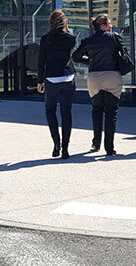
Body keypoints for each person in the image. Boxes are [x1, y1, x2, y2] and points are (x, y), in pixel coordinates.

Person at [72, 13, 125, 156]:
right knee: (111, 113)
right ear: (103, 26)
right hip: (112, 75)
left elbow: (75, 57)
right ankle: (109, 148)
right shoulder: (114, 37)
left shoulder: (88, 40)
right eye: (109, 24)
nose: (111, 26)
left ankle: (96, 143)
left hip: (94, 77)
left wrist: (90, 61)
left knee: (96, 110)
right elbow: (124, 53)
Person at [36, 9, 77, 159]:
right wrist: (66, 29)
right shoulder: (70, 38)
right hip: (67, 77)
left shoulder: (45, 39)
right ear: (64, 22)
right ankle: (65, 148)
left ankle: (56, 144)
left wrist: (40, 80)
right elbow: (68, 41)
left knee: (50, 110)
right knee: (66, 112)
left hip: (52, 78)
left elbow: (41, 62)